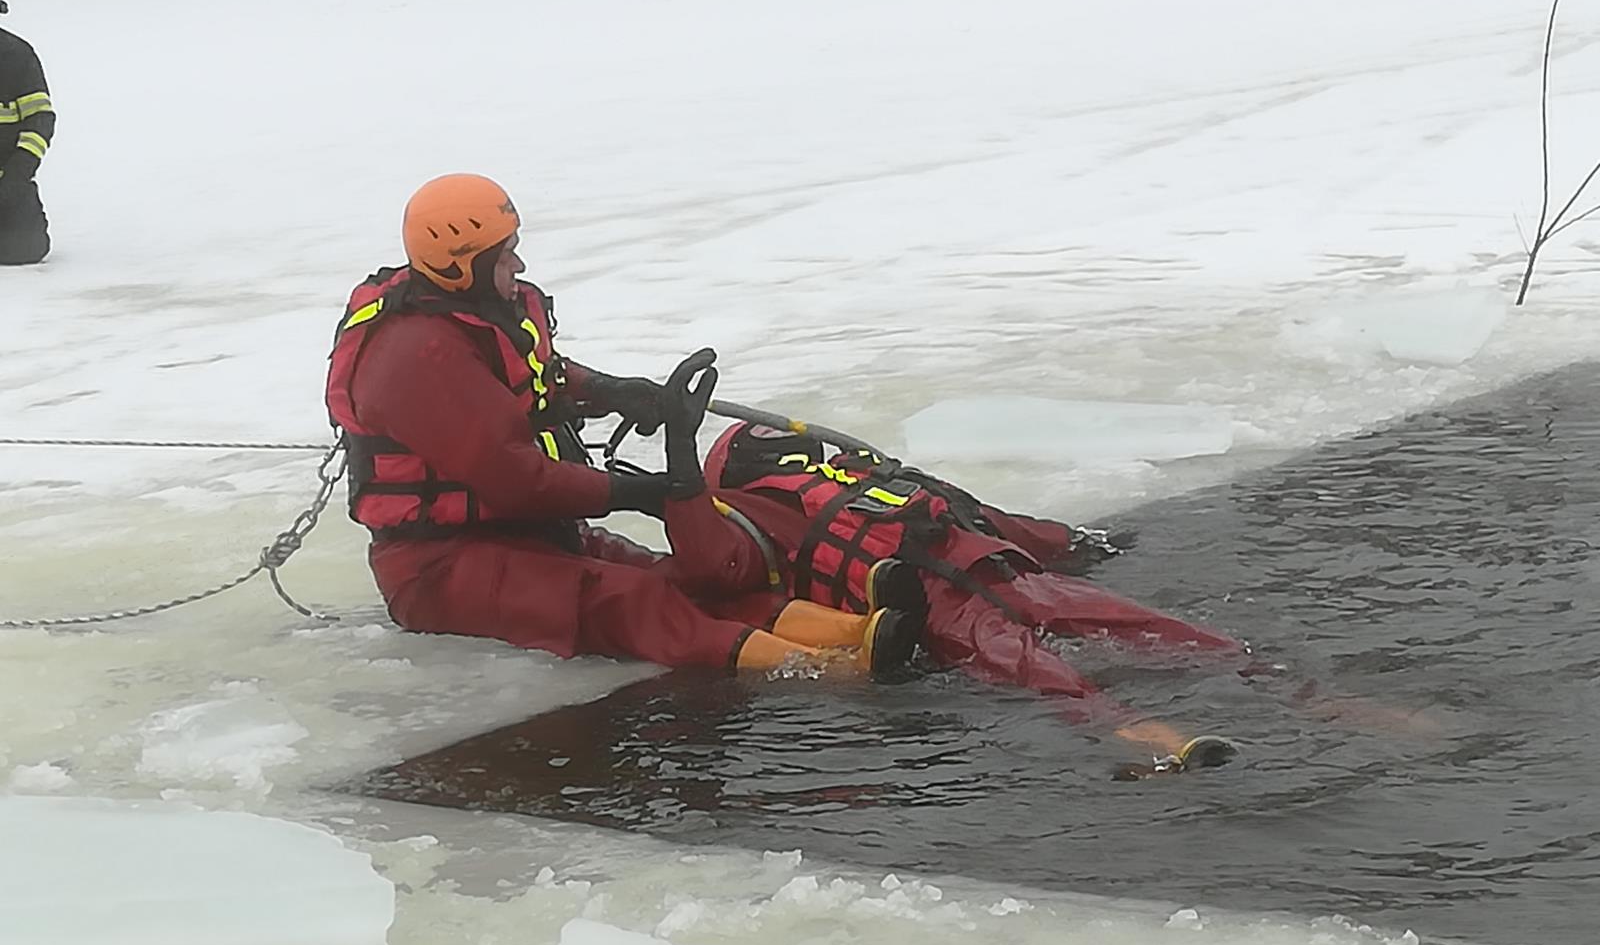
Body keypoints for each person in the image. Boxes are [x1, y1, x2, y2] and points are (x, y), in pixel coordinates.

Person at [324, 173, 922, 675]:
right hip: (438, 568)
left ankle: (850, 630)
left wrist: (612, 391)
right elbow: (516, 480)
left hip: (526, 533)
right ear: (462, 266)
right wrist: (642, 493)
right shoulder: (417, 356)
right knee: (630, 601)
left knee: (675, 579)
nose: (519, 263)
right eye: (504, 255)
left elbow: (536, 373)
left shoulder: (478, 311)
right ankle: (826, 669)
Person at [677, 421, 1243, 760]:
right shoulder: (825, 485)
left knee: (1047, 675)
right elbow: (991, 517)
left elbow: (723, 575)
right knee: (1155, 635)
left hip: (967, 590)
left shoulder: (777, 502)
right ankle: (1253, 707)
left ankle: (1160, 733)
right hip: (994, 573)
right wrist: (1071, 543)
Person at [0, 0, 54, 266]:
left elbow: (40, 119)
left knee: (26, 248)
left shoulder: (15, 55)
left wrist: (17, 173)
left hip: (7, 182)